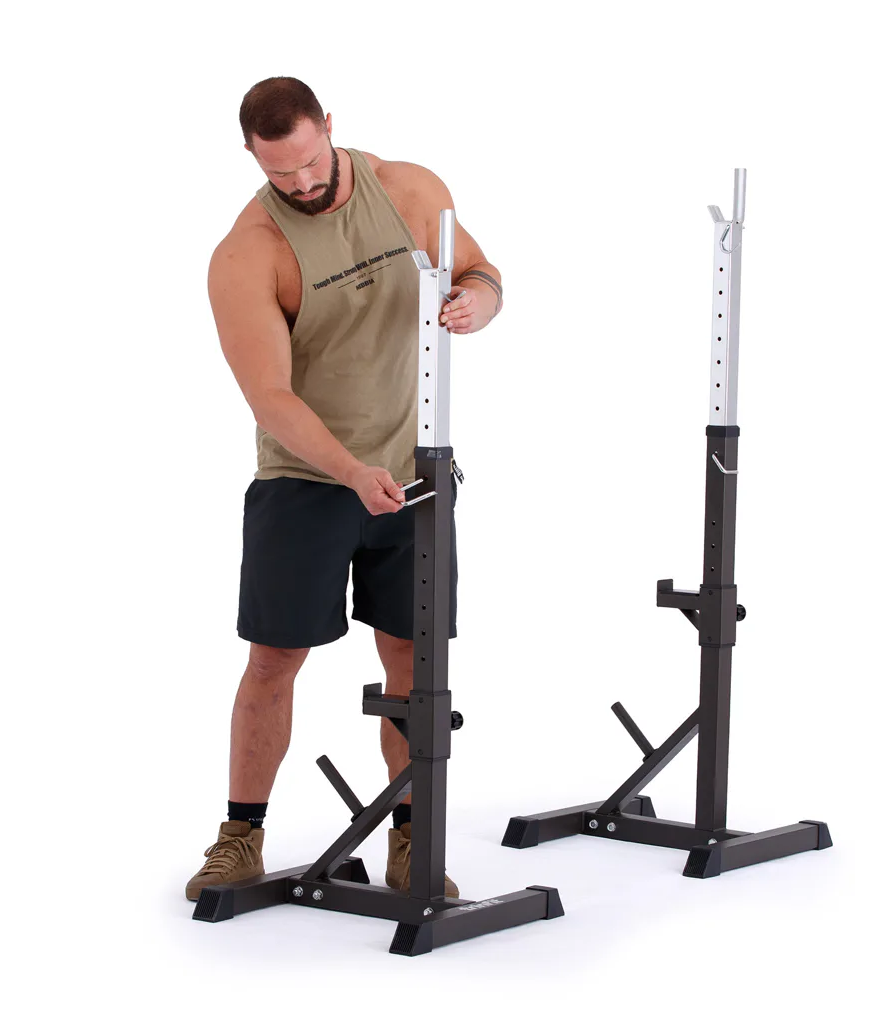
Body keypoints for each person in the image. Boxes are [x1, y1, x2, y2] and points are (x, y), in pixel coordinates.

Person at [185, 77, 503, 901]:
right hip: (307, 481)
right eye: (280, 173)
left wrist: (477, 301)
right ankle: (240, 837)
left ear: (329, 126)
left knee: (412, 657)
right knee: (274, 659)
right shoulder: (247, 253)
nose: (302, 184)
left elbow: (479, 270)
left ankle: (410, 839)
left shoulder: (409, 190)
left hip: (415, 475)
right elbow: (271, 398)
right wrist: (350, 472)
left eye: (310, 163)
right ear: (251, 156)